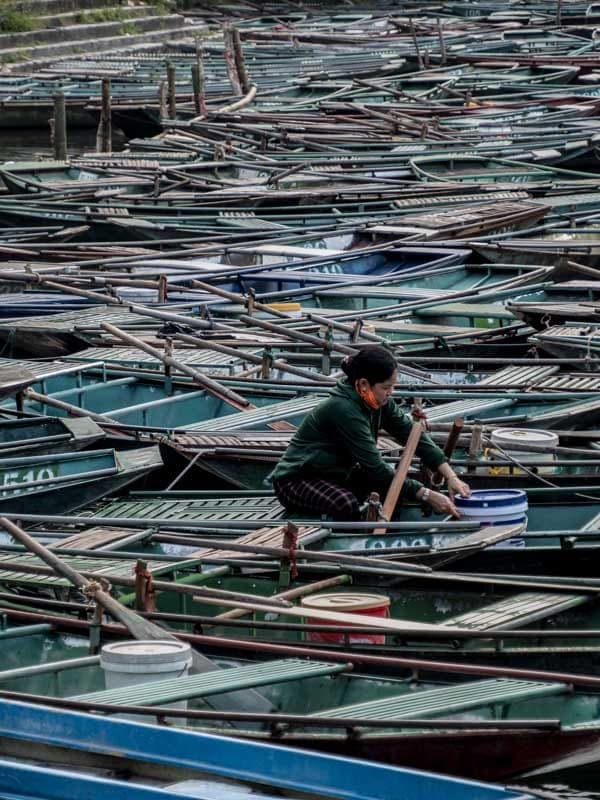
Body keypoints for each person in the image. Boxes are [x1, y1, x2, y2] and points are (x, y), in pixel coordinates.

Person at [271, 345, 470, 520]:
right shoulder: (344, 409)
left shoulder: (379, 402)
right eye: (386, 387)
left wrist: (451, 476)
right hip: (297, 480)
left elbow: (411, 434)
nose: (391, 392)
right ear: (364, 384)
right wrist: (425, 494)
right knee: (345, 504)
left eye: (393, 386)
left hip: (335, 475)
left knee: (391, 488)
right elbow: (375, 466)